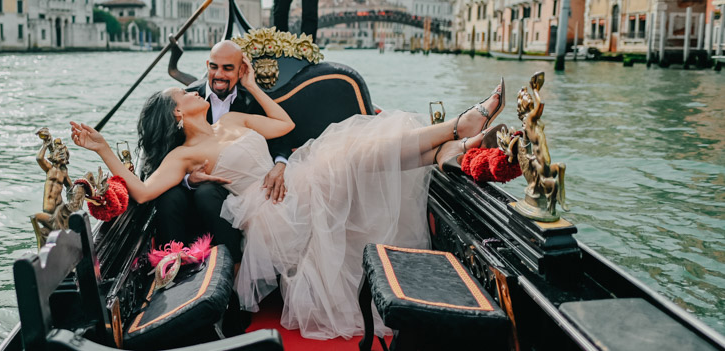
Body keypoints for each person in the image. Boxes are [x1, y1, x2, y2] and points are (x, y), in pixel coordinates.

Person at [70, 59, 504, 340]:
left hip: (290, 180)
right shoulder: (187, 155)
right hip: (273, 211)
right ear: (178, 115)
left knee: (351, 152)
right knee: (349, 152)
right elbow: (144, 191)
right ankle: (457, 130)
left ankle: (453, 144)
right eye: (183, 95)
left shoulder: (234, 117)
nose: (195, 90)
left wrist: (254, 86)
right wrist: (103, 149)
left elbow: (283, 123)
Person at [154, 40, 291, 264]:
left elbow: (282, 136)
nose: (219, 75)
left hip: (245, 189)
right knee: (183, 194)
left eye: (228, 68)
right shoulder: (187, 101)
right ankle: (173, 266)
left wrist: (280, 165)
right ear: (207, 65)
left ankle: (234, 264)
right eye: (214, 67)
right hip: (201, 187)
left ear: (241, 71)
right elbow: (163, 154)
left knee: (207, 194)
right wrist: (189, 179)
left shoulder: (251, 100)